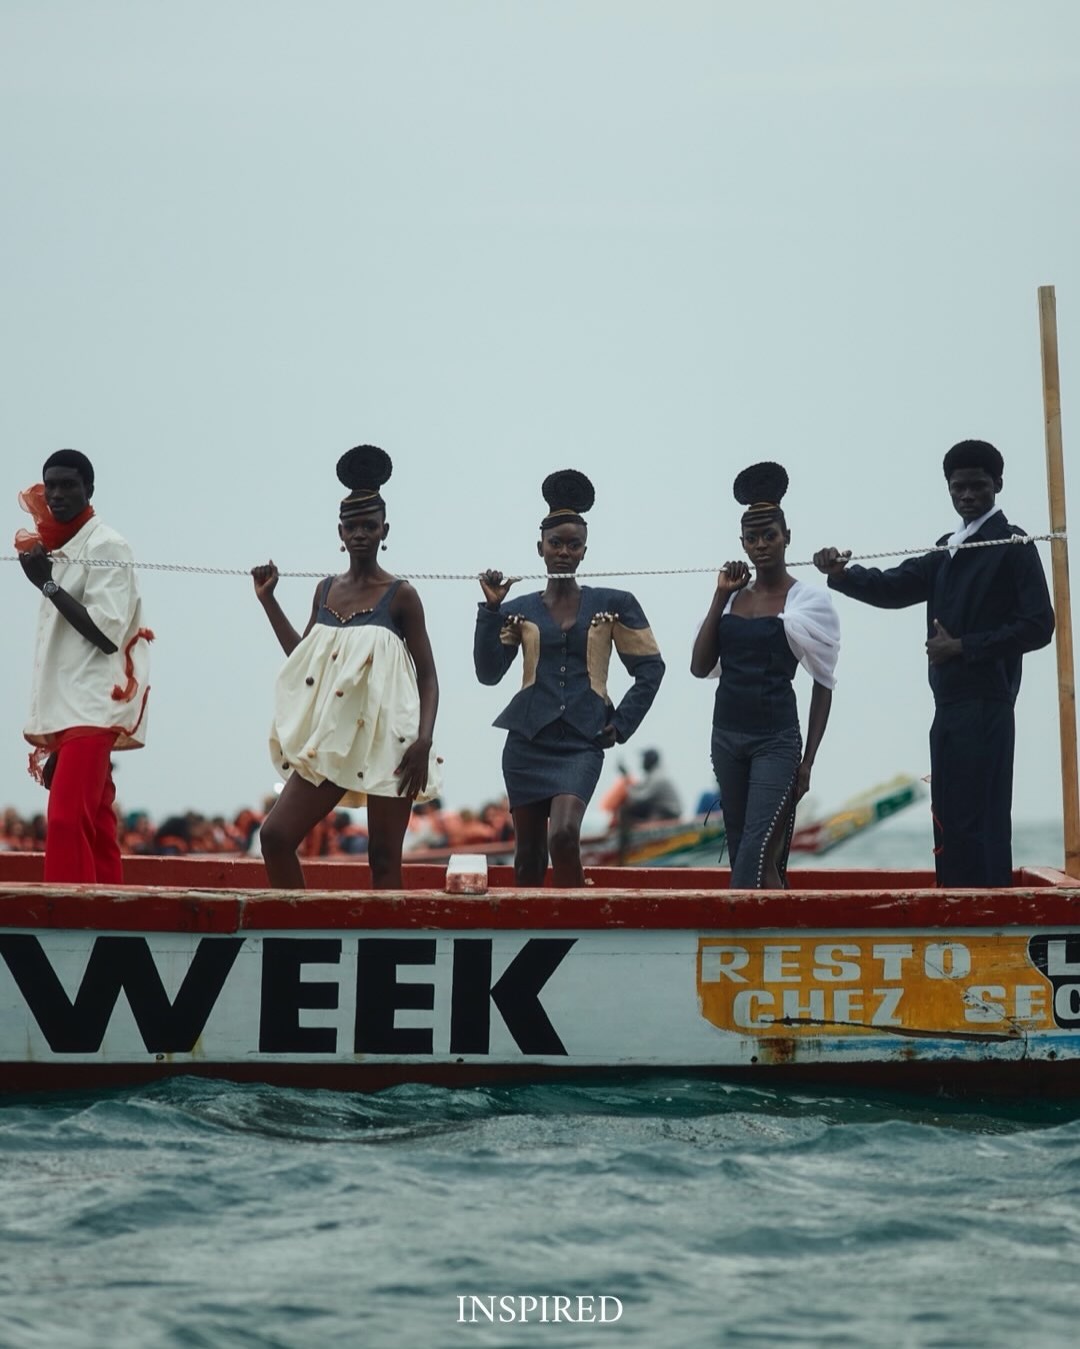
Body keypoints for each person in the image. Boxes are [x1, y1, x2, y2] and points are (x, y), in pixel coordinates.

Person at [814, 439, 1054, 887]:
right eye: (958, 487)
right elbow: (896, 585)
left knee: (980, 819)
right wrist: (842, 575)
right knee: (948, 817)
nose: (967, 495)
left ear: (998, 485)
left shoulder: (1013, 545)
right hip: (948, 706)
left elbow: (1040, 625)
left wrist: (963, 647)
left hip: (988, 703)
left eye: (977, 486)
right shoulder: (948, 549)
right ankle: (954, 904)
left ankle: (986, 911)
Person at [252, 444, 441, 889]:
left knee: (384, 861)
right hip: (334, 737)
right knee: (275, 836)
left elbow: (429, 676)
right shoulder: (324, 591)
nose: (360, 534)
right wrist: (268, 601)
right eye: (352, 527)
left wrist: (424, 742)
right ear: (339, 532)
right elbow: (304, 662)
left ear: (384, 530)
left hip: (391, 739)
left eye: (369, 526)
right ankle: (294, 924)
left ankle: (386, 934)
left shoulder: (401, 595)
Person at [474, 469, 665, 886]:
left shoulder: (615, 603)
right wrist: (490, 612)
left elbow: (651, 668)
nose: (563, 552)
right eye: (555, 543)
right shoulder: (518, 609)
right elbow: (488, 674)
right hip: (526, 744)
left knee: (562, 837)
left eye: (573, 545)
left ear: (584, 551)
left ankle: (576, 913)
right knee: (527, 859)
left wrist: (622, 724)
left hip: (582, 742)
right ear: (540, 547)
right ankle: (533, 921)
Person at [691, 462, 839, 889]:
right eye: (752, 538)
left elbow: (824, 683)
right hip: (726, 737)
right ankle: (768, 929)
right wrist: (719, 595)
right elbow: (700, 667)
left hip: (776, 740)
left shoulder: (807, 601)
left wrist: (808, 762)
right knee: (745, 851)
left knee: (757, 851)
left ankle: (746, 927)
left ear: (787, 536)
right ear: (741, 542)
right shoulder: (732, 598)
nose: (761, 545)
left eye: (769, 536)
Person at [16, 449, 153, 883]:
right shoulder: (59, 549)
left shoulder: (106, 545)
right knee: (95, 824)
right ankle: (113, 910)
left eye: (68, 485)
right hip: (69, 707)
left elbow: (106, 632)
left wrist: (47, 585)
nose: (56, 494)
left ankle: (69, 913)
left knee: (65, 821)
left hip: (93, 706)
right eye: (50, 486)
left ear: (89, 490)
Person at [619, 748, 683, 824]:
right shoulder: (652, 775)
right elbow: (639, 787)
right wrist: (626, 775)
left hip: (669, 811)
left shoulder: (657, 777)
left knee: (628, 811)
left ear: (649, 761)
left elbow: (640, 798)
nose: (642, 762)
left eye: (644, 759)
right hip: (661, 808)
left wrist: (627, 790)